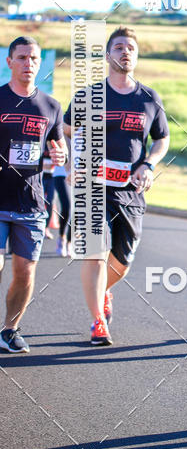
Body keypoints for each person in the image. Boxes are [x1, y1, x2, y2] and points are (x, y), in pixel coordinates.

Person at [64, 26, 169, 346]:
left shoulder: (149, 98)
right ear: (108, 54)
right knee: (95, 254)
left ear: (136, 57)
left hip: (129, 190)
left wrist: (148, 165)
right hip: (92, 188)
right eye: (119, 47)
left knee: (122, 262)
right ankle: (97, 322)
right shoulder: (89, 95)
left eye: (131, 48)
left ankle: (105, 291)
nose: (125, 52)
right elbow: (66, 130)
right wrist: (72, 163)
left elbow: (162, 138)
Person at [0, 36, 67, 353]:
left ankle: (9, 330)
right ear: (10, 61)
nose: (29, 63)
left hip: (31, 203)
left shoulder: (51, 106)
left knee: (24, 273)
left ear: (40, 64)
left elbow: (57, 147)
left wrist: (61, 156)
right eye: (22, 57)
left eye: (34, 59)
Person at [53, 159, 72, 257]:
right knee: (67, 205)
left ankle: (70, 241)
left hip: (80, 174)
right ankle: (62, 237)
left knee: (77, 209)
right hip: (62, 173)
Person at [41, 147, 56, 238]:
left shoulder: (55, 141)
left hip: (52, 176)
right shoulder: (41, 139)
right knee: (39, 201)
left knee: (50, 202)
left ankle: (46, 228)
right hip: (40, 176)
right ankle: (39, 226)